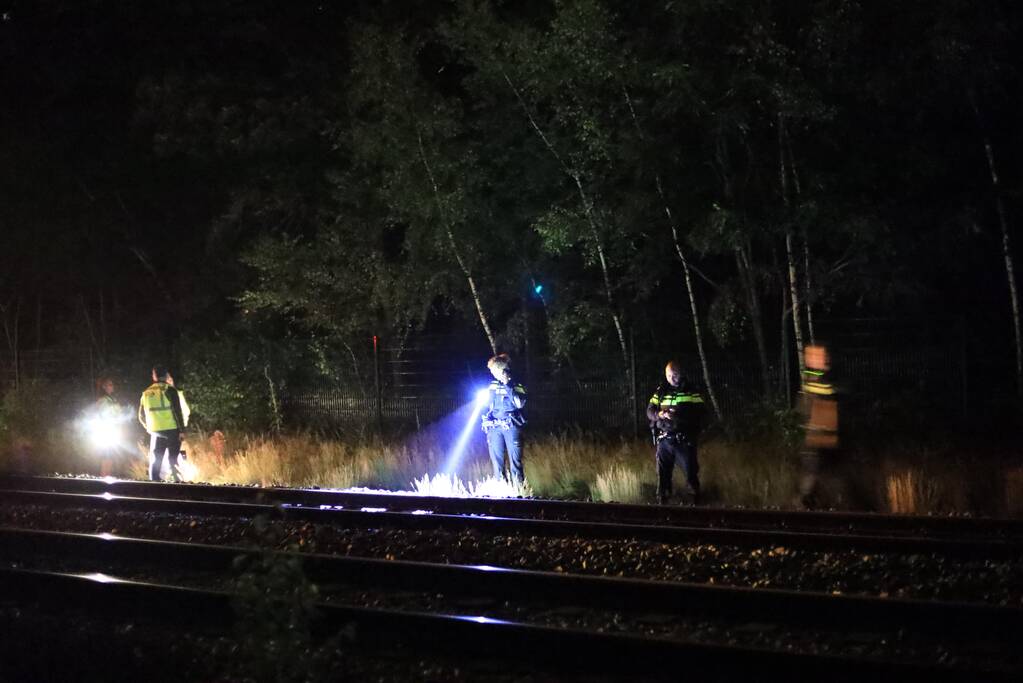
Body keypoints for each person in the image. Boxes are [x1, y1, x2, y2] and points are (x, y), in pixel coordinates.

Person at [647, 360, 705, 505]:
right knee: (663, 473)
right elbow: (650, 411)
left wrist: (680, 416)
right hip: (665, 439)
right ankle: (663, 500)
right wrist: (660, 414)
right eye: (668, 375)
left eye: (675, 375)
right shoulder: (661, 391)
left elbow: (702, 413)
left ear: (681, 374)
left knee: (690, 471)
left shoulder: (691, 390)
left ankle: (695, 501)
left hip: (684, 439)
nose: (671, 379)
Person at [797, 344, 839, 509]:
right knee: (815, 472)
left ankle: (813, 502)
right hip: (817, 438)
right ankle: (807, 501)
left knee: (819, 472)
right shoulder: (816, 383)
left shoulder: (814, 382)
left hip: (820, 437)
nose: (827, 360)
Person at [481, 353, 527, 485]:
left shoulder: (517, 384)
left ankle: (519, 490)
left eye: (494, 370)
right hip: (495, 428)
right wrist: (487, 418)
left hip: (511, 426)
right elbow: (487, 405)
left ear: (502, 370)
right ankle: (502, 490)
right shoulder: (493, 384)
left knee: (515, 462)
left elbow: (519, 403)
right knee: (497, 463)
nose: (492, 373)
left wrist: (508, 385)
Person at [138, 366, 186, 482]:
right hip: (172, 429)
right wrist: (182, 430)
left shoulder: (146, 393)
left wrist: (149, 428)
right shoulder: (170, 390)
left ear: (154, 376)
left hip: (156, 431)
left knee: (156, 458)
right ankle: (177, 483)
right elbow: (177, 411)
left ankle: (154, 483)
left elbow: (141, 415)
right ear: (166, 375)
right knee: (173, 458)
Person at [94, 377, 120, 476]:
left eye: (112, 384)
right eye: (110, 385)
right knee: (106, 456)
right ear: (104, 387)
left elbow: (118, 413)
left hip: (113, 430)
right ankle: (103, 477)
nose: (112, 386)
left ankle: (107, 477)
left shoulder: (113, 399)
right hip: (106, 430)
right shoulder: (103, 399)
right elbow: (101, 414)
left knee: (110, 456)